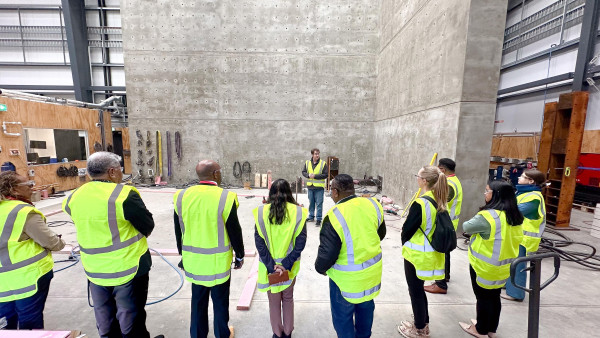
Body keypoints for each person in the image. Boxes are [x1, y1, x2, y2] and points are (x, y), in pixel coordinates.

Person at [62, 152, 161, 338]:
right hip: (128, 268)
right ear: (112, 171)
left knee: (105, 318)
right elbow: (147, 226)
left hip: (94, 268)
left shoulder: (74, 196)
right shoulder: (124, 195)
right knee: (132, 317)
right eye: (120, 169)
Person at [173, 160, 245, 338]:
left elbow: (178, 230)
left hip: (194, 262)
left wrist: (183, 255)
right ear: (215, 174)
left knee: (198, 302)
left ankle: (197, 335)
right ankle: (222, 333)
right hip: (217, 264)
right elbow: (234, 230)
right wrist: (240, 255)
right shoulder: (225, 197)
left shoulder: (182, 196)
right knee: (220, 303)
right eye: (219, 171)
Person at [315, 174, 385, 338]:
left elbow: (326, 256)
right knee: (365, 315)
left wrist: (320, 268)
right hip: (370, 277)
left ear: (335, 192)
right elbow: (380, 234)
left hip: (345, 282)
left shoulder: (334, 216)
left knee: (343, 321)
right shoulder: (373, 204)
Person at [0, 171, 65, 329]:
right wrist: (60, 242)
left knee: (6, 324)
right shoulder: (23, 212)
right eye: (28, 185)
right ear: (14, 190)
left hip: (3, 282)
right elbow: (51, 242)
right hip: (28, 278)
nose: (32, 188)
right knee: (30, 323)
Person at [459, 180, 523, 338]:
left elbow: (466, 227)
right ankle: (491, 329)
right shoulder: (515, 215)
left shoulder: (488, 216)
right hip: (505, 266)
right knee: (494, 297)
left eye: (487, 191)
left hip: (485, 266)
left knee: (483, 298)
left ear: (496, 195)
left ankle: (480, 330)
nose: (485, 194)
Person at [398, 165, 447, 338]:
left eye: (417, 176)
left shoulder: (421, 203)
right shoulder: (438, 198)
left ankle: (419, 329)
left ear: (424, 180)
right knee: (419, 291)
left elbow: (407, 230)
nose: (416, 178)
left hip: (416, 255)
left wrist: (404, 242)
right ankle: (423, 321)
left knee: (416, 292)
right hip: (431, 254)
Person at [254, 179, 308, 338]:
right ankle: (288, 332)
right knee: (288, 298)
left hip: (269, 268)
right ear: (289, 193)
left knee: (274, 302)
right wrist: (286, 264)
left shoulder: (260, 212)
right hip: (289, 268)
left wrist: (272, 266)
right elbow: (301, 242)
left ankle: (277, 334)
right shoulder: (299, 212)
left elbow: (259, 242)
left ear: (270, 194)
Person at [502, 169, 546, 302]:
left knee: (518, 265)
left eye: (522, 176)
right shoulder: (522, 192)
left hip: (524, 238)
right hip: (516, 236)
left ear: (531, 181)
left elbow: (516, 212)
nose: (519, 178)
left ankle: (516, 293)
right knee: (509, 261)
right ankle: (508, 285)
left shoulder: (534, 197)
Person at [424, 158, 462, 294]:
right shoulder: (454, 181)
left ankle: (440, 284)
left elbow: (439, 201)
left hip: (445, 222)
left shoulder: (449, 184)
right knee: (445, 251)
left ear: (443, 170)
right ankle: (445, 276)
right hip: (449, 222)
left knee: (440, 251)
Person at [302, 148, 328, 226]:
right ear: (312, 154)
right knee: (311, 203)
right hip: (310, 187)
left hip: (319, 188)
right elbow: (303, 172)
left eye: (318, 154)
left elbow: (326, 175)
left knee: (319, 203)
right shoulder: (307, 163)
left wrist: (315, 176)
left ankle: (319, 219)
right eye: (316, 154)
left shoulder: (323, 163)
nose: (317, 155)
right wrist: (308, 175)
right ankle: (311, 216)